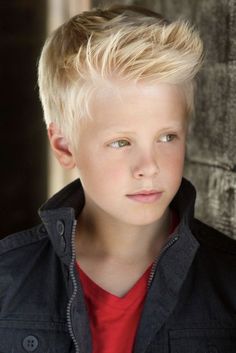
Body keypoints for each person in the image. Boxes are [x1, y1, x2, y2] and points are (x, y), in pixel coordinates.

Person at [0, 4, 235, 353]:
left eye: (167, 137)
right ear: (65, 146)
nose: (149, 166)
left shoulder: (228, 283)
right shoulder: (7, 280)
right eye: (121, 142)